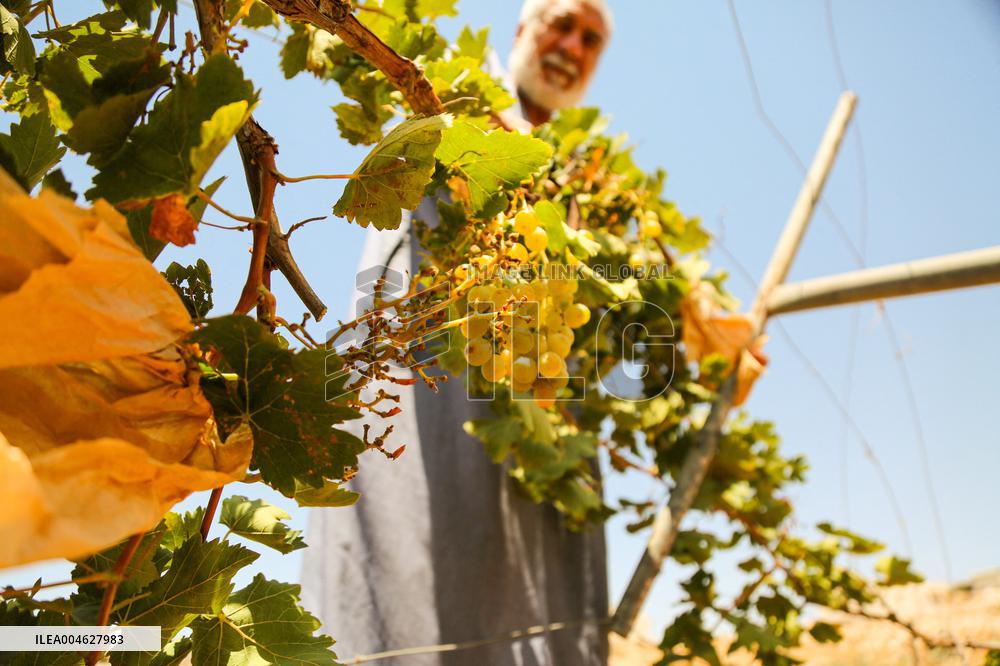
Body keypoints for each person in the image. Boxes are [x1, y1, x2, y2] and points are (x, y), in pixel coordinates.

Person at [302, 2, 613, 664]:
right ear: (522, 30)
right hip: (415, 402)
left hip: (525, 436)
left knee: (519, 612)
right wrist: (480, 134)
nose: (572, 46)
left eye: (590, 40)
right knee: (395, 599)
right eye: (562, 23)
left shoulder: (587, 177)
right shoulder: (452, 93)